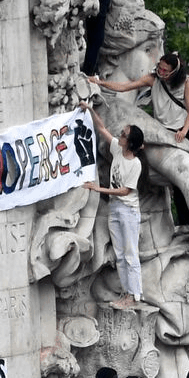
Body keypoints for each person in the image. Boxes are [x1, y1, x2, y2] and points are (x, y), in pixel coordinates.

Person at [83, 109, 145, 309]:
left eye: (124, 135)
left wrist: (98, 189)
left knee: (130, 254)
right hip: (115, 209)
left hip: (128, 211)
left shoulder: (135, 164)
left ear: (131, 143)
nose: (120, 136)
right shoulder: (118, 150)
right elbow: (102, 128)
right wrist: (89, 109)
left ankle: (135, 295)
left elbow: (125, 191)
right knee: (119, 255)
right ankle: (126, 294)